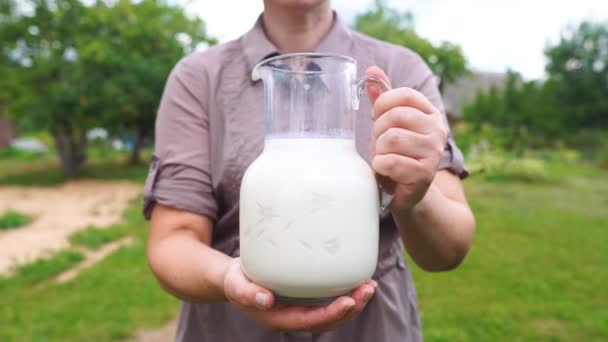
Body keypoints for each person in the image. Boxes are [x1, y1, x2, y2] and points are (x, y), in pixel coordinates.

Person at [143, 0, 475, 341]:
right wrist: (228, 278)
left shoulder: (401, 68)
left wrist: (414, 197)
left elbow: (450, 250)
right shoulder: (199, 77)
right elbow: (173, 239)